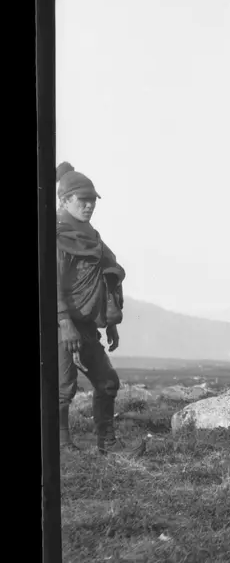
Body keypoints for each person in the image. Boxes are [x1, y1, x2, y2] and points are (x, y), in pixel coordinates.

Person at [57, 162, 142, 456]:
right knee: (62, 390)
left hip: (87, 326)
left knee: (107, 383)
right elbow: (49, 284)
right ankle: (62, 446)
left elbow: (107, 277)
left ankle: (107, 444)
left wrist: (111, 322)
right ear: (64, 200)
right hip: (59, 325)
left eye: (92, 200)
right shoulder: (54, 235)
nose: (90, 205)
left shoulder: (92, 237)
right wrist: (64, 321)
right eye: (83, 200)